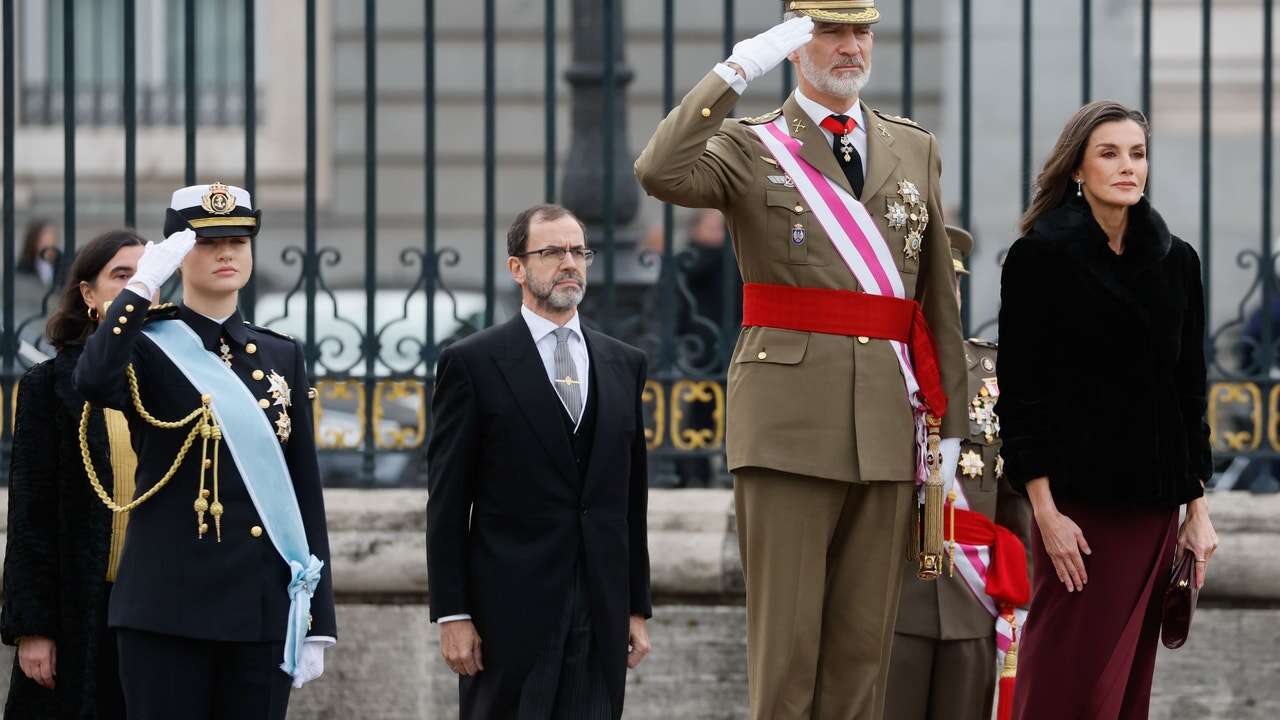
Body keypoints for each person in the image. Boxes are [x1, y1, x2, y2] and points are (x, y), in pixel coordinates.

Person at [634, 2, 969, 717]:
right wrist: (736, 69)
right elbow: (660, 171)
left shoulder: (912, 146)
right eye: (831, 32)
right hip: (788, 425)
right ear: (794, 44)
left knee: (861, 657)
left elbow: (935, 296)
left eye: (862, 31)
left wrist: (948, 434)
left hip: (886, 421)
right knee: (786, 656)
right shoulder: (752, 145)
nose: (851, 47)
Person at [73, 183, 336, 719]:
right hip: (165, 608)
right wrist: (143, 282)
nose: (225, 253)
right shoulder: (146, 343)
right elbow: (94, 379)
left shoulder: (282, 355)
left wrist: (319, 621)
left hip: (259, 607)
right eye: (207, 241)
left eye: (238, 241)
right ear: (176, 252)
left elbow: (302, 489)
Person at [996, 101, 1218, 719]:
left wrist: (1196, 512)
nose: (1128, 167)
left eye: (1138, 153)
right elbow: (1022, 395)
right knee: (1065, 676)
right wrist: (1045, 512)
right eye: (1110, 153)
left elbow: (1188, 394)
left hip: (1153, 510)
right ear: (1076, 169)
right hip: (1077, 512)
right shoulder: (1037, 259)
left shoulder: (1177, 261)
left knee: (1125, 688)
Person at [426, 204, 653, 720]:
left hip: (600, 611)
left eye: (578, 251)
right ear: (518, 267)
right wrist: (452, 613)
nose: (569, 263)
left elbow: (630, 498)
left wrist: (636, 605)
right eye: (551, 251)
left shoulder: (624, 363)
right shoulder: (472, 363)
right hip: (508, 615)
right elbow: (446, 500)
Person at [886, 225, 1033, 720]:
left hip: (972, 606)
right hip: (889, 601)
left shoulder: (997, 375)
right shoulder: (875, 369)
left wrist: (1022, 593)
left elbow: (1016, 498)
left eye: (949, 287)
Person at [2, 230, 145, 719]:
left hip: (161, 611)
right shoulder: (48, 386)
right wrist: (33, 629)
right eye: (121, 275)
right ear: (88, 292)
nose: (135, 288)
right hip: (80, 608)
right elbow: (30, 516)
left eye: (147, 277)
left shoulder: (185, 381)